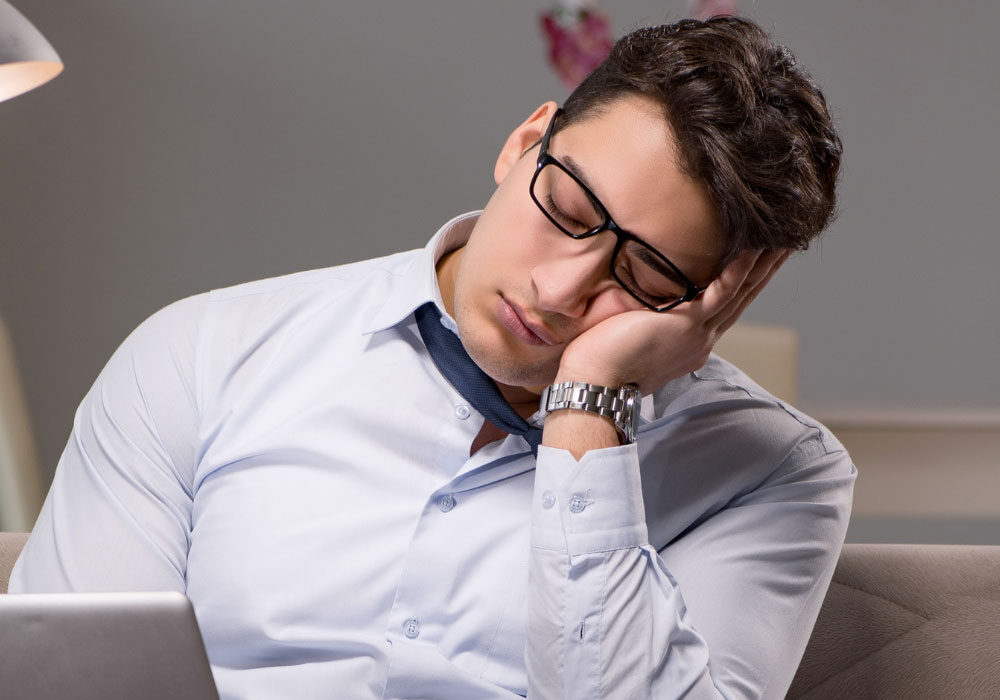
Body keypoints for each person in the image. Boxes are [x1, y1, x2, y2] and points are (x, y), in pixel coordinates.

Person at [11, 16, 854, 700]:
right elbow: (65, 683)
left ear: (719, 299)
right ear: (525, 142)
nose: (562, 291)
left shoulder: (774, 473)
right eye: (566, 209)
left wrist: (592, 406)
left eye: (645, 277)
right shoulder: (200, 354)